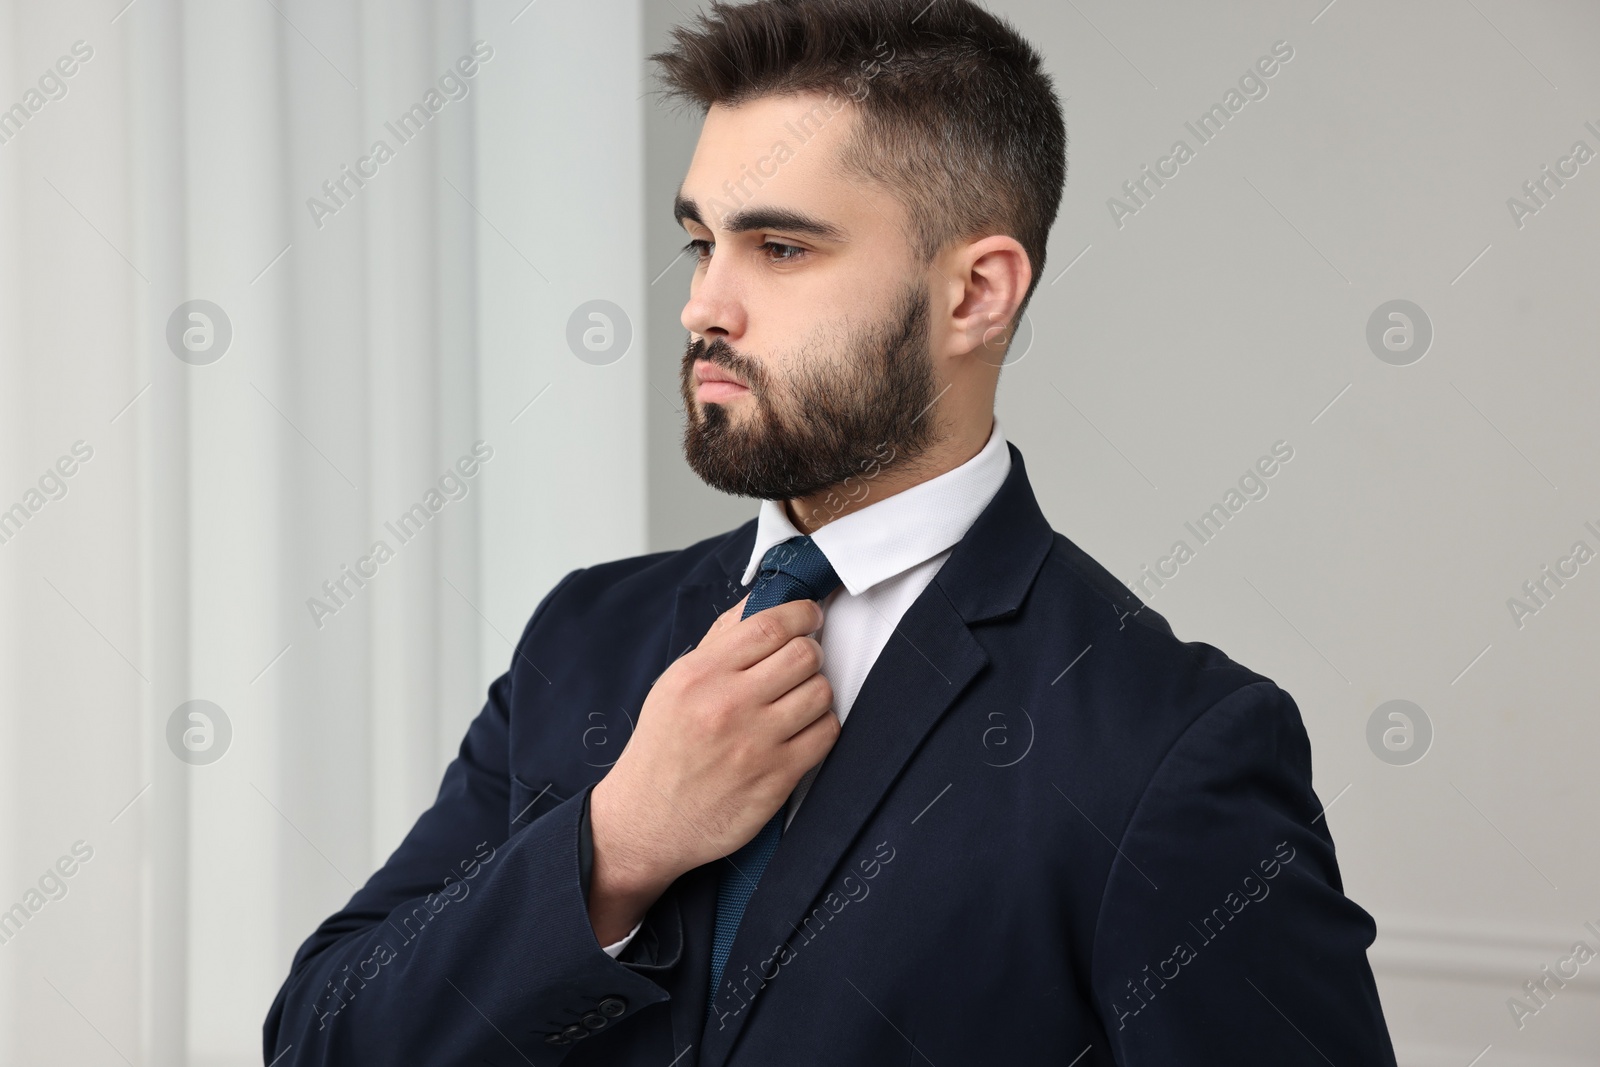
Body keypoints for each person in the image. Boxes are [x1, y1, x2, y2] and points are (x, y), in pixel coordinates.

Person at [264, 1, 1397, 1063]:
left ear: (976, 294)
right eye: (702, 240)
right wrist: (615, 843)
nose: (701, 304)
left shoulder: (1167, 744)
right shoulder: (584, 632)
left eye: (782, 248)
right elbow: (323, 1034)